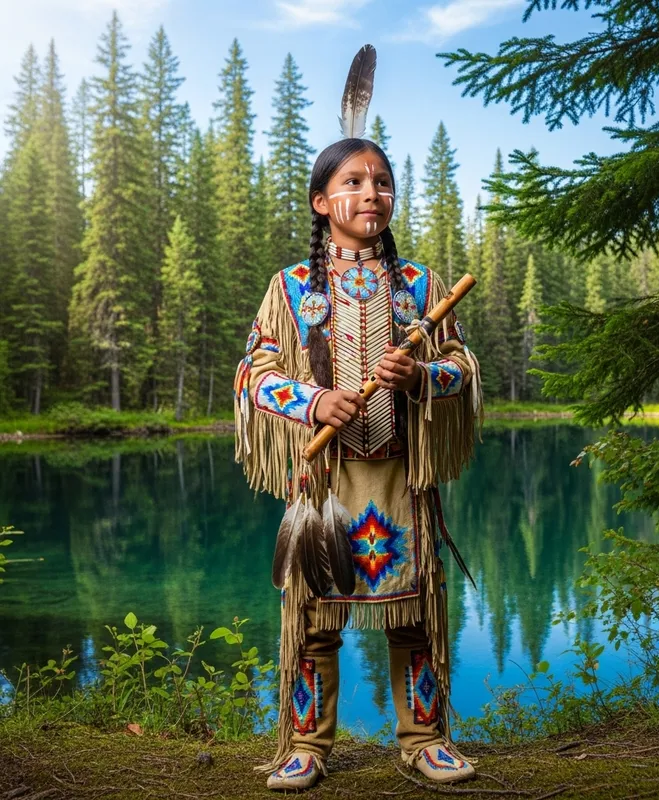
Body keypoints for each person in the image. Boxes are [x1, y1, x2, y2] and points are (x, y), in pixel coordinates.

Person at [233, 51, 481, 793]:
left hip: (402, 474)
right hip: (324, 477)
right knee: (315, 615)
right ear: (321, 201)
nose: (372, 192)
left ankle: (425, 738)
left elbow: (464, 369)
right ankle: (308, 743)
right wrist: (311, 402)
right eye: (353, 181)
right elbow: (253, 372)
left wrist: (422, 375)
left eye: (382, 181)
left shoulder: (421, 285)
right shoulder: (291, 286)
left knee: (413, 610)